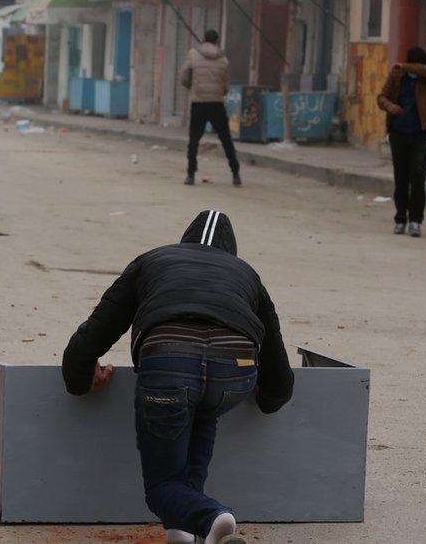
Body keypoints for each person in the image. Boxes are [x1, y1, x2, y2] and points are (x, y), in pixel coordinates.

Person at [62, 210, 295, 544]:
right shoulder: (247, 276)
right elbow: (279, 376)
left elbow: (92, 335)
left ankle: (213, 518)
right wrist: (267, 396)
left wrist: (81, 381)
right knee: (203, 410)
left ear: (183, 243)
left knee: (162, 485)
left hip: (169, 363)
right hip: (234, 371)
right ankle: (183, 534)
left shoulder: (152, 262)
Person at [377, 46, 426, 237]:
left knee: (418, 176)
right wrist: (390, 106)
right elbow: (381, 97)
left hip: (420, 134)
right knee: (401, 178)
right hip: (398, 133)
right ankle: (401, 218)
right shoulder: (397, 76)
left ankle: (415, 221)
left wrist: (407, 66)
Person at [180, 30, 241, 187]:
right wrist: (220, 93)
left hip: (198, 103)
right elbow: (226, 84)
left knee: (194, 140)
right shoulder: (223, 59)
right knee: (226, 139)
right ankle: (235, 174)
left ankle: (190, 175)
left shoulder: (193, 54)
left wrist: (193, 88)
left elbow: (184, 76)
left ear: (203, 39)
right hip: (216, 103)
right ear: (217, 41)